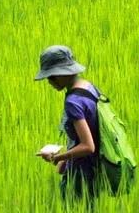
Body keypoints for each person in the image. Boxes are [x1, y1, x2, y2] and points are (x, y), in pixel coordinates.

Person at [33, 46, 109, 201]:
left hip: (81, 175)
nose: (49, 82)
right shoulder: (89, 87)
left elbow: (88, 146)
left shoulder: (73, 102)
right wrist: (65, 162)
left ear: (62, 73)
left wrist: (57, 158)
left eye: (51, 76)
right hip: (97, 169)